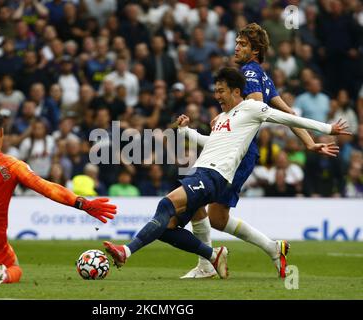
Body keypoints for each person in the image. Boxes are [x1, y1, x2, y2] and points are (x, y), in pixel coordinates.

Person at [103, 68, 349, 278]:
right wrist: (186, 131)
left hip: (215, 177)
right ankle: (213, 255)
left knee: (166, 203)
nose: (217, 95)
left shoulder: (253, 108)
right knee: (167, 227)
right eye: (216, 90)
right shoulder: (221, 117)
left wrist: (327, 128)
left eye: (221, 90)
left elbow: (287, 118)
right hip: (201, 171)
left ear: (235, 91)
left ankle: (126, 251)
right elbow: (211, 143)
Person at [184, 23, 340, 279]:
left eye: (243, 44)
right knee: (218, 218)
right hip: (243, 151)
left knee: (195, 200)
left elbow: (255, 106)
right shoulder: (264, 76)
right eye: (237, 42)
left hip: (237, 152)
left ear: (255, 50)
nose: (236, 47)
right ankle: (272, 248)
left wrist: (225, 115)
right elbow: (288, 114)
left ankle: (206, 266)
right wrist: (309, 142)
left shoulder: (250, 74)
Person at [0, 108, 117, 284]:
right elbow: (48, 188)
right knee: (14, 266)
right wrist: (82, 203)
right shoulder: (12, 165)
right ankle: (3, 276)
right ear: (1, 133)